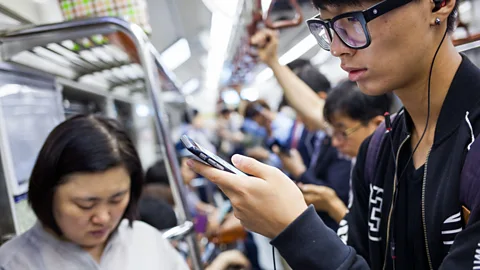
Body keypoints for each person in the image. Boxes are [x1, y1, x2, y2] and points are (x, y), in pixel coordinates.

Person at [188, 0, 480, 269]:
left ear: (438, 4)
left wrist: (296, 230)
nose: (338, 47)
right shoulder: (377, 150)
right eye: (329, 27)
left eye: (353, 21)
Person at [0, 115, 188, 270]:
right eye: (86, 205)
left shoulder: (146, 239)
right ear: (48, 194)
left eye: (117, 199)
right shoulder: (13, 263)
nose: (103, 218)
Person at [298, 80, 392, 225]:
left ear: (377, 125)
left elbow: (371, 240)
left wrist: (332, 204)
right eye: (332, 133)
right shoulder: (358, 161)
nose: (335, 142)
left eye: (342, 132)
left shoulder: (392, 171)